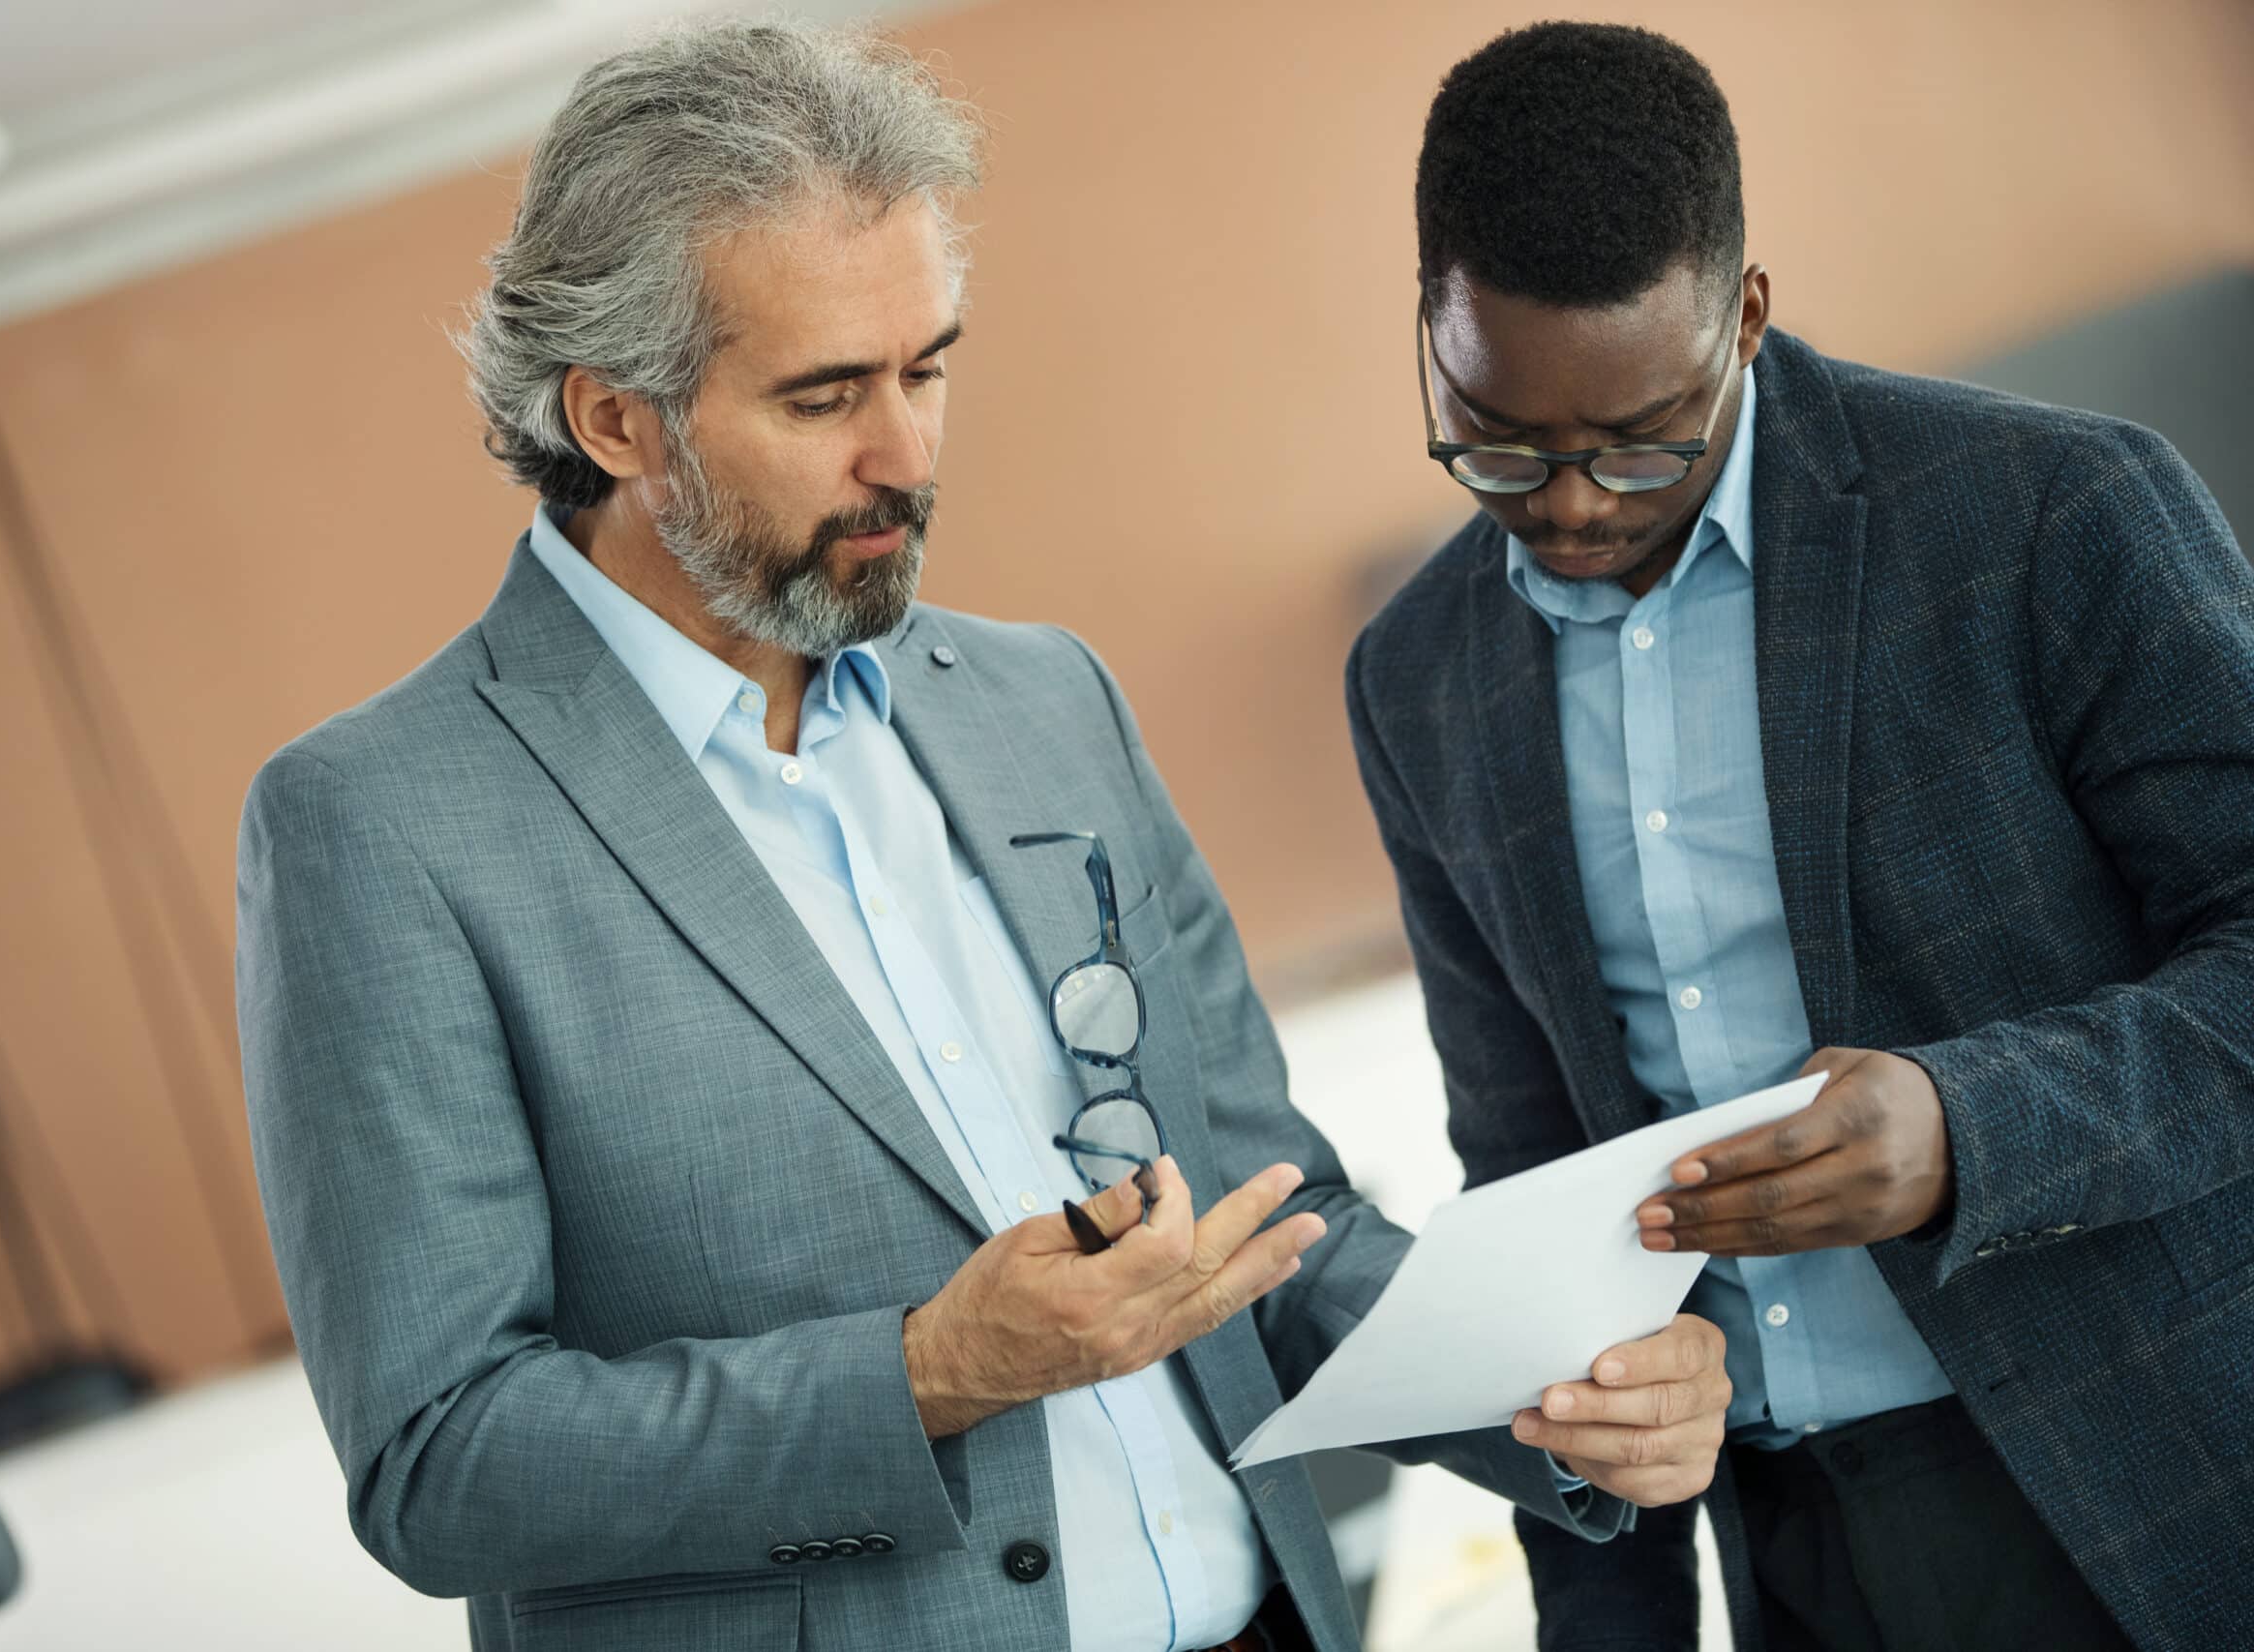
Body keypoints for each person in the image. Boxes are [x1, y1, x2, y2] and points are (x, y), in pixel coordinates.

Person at [234, 19, 1732, 1652]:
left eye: (927, 366)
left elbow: (1264, 1221)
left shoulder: (1044, 700)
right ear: (615, 422)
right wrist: (932, 1370)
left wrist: (1554, 1389)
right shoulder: (379, 829)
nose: (909, 454)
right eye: (824, 397)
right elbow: (441, 1464)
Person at [1347, 19, 2252, 1652]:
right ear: (1428, 330)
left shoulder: (2056, 512)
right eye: (1496, 440)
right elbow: (1528, 1192)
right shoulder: (1413, 683)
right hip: (1795, 1562)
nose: (1572, 509)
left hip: (2162, 1481)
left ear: (1746, 317)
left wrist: (1975, 1126)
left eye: (1644, 439)